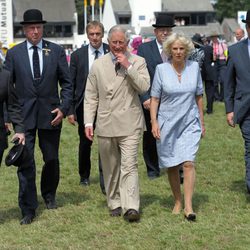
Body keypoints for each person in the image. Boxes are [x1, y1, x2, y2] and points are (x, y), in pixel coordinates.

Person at [5, 9, 72, 213]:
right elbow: (6, 89)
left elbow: (67, 84)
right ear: (24, 30)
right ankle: (28, 207)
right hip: (23, 118)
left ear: (43, 28)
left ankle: (49, 195)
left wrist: (63, 108)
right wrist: (9, 118)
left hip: (51, 116)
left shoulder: (56, 51)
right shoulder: (14, 54)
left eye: (38, 27)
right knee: (25, 160)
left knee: (51, 158)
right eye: (31, 28)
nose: (35, 31)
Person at [84, 25, 150, 222]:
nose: (118, 46)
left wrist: (128, 67)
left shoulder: (139, 62)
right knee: (111, 167)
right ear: (109, 42)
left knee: (129, 165)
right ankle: (114, 202)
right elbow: (91, 96)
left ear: (128, 43)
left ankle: (131, 207)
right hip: (106, 122)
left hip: (130, 122)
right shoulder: (98, 65)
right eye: (115, 43)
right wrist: (89, 122)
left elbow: (144, 86)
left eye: (122, 42)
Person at [150, 33, 205, 221]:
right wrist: (154, 122)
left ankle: (189, 206)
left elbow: (199, 95)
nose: (179, 52)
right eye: (175, 49)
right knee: (172, 164)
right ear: (169, 51)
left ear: (187, 50)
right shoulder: (161, 69)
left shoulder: (195, 67)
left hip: (189, 121)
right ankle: (178, 200)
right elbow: (155, 98)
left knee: (188, 163)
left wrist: (201, 122)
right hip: (167, 122)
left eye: (182, 48)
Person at [68, 21, 109, 193]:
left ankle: (105, 175)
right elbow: (70, 83)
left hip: (108, 105)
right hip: (84, 106)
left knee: (106, 142)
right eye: (91, 34)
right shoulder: (77, 55)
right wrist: (70, 110)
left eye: (98, 34)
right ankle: (84, 175)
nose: (95, 37)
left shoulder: (111, 51)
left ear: (102, 34)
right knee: (86, 142)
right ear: (87, 35)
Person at [137, 14, 175, 179]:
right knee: (150, 136)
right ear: (156, 31)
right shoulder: (144, 49)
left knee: (173, 134)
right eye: (161, 30)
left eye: (167, 30)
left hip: (172, 101)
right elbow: (138, 75)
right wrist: (144, 97)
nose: (165, 33)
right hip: (150, 100)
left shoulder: (177, 48)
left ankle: (175, 166)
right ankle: (152, 169)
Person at [224, 10, 250, 194]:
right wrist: (229, 109)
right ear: (248, 27)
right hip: (245, 108)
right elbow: (228, 82)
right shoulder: (234, 50)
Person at [210, 31, 228, 102]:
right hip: (214, 62)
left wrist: (227, 60)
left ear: (217, 37)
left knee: (222, 80)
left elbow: (226, 53)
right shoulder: (211, 45)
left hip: (222, 61)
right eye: (212, 37)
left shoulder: (222, 44)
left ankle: (222, 97)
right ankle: (216, 97)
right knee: (214, 81)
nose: (214, 39)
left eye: (215, 37)